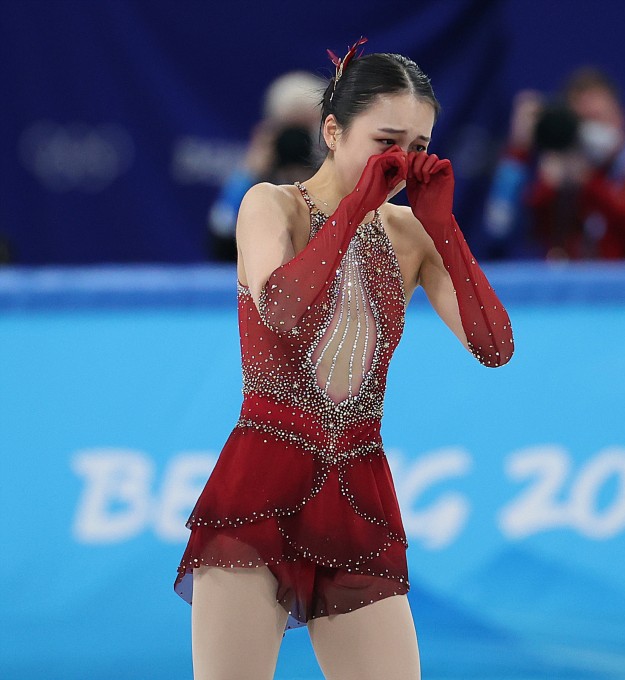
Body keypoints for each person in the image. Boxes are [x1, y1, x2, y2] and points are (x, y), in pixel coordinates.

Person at [175, 39, 514, 680]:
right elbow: (284, 311)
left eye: (418, 148)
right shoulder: (269, 206)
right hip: (262, 483)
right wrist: (356, 207)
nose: (402, 164)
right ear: (332, 130)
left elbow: (493, 347)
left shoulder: (410, 235)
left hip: (356, 492)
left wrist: (444, 228)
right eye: (387, 142)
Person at [482, 67, 625, 260]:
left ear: (622, 118)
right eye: (583, 123)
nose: (591, 132)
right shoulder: (559, 183)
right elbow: (499, 226)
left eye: (598, 119)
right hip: (573, 294)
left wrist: (590, 185)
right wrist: (519, 151)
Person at [208, 70, 325, 262]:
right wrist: (246, 174)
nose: (296, 141)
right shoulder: (256, 187)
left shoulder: (339, 179)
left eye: (305, 130)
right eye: (289, 130)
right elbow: (221, 242)